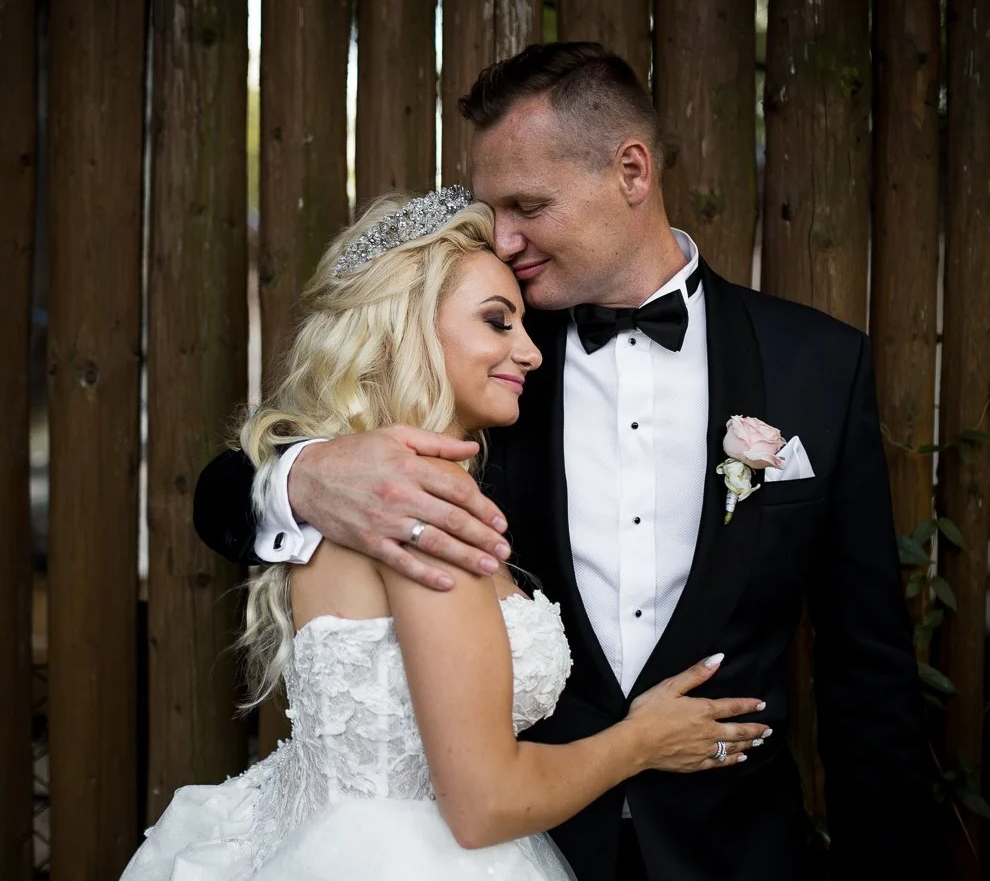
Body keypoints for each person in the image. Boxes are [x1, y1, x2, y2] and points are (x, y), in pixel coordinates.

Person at [193, 43, 933, 880]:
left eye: (528, 205)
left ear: (630, 171)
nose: (503, 239)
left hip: (734, 849)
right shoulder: (481, 356)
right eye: (492, 208)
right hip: (521, 844)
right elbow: (220, 496)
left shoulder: (817, 364)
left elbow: (866, 670)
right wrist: (308, 476)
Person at [123, 190, 771, 881]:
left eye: (521, 323)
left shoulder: (373, 491)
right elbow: (485, 803)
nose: (531, 352)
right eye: (497, 322)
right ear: (404, 329)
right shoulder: (412, 503)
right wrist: (640, 741)